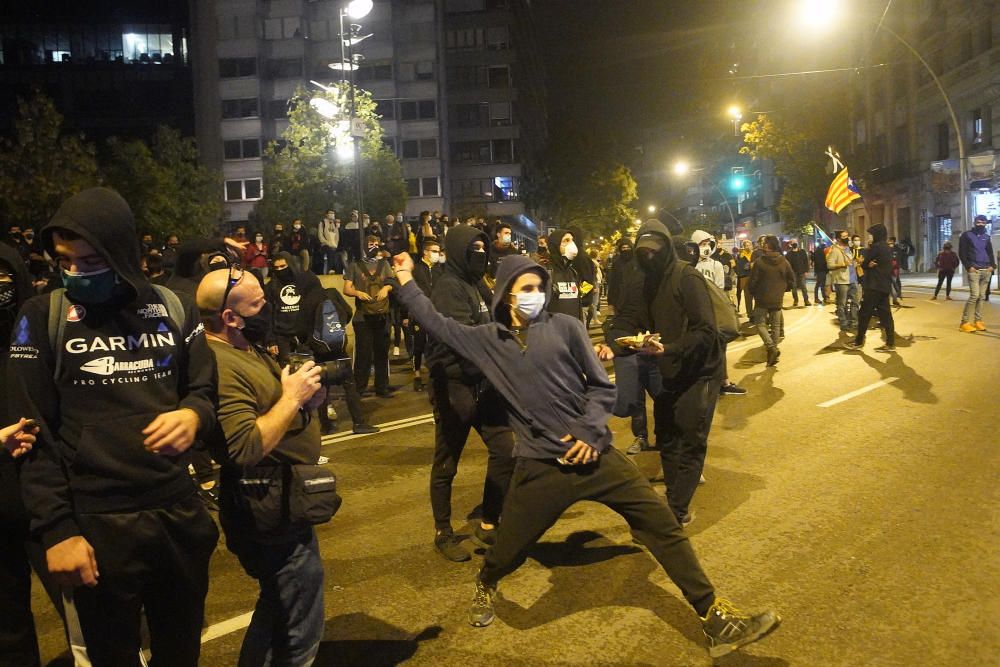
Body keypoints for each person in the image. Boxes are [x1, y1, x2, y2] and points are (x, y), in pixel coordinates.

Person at [392, 247, 780, 659]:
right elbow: (435, 321)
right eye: (526, 288)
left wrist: (591, 431)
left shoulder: (566, 327)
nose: (536, 294)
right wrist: (404, 278)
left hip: (597, 455)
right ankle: (486, 583)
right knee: (508, 549)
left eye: (540, 287)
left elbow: (600, 386)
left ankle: (713, 615)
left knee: (661, 522)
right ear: (506, 294)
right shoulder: (487, 340)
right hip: (542, 466)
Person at [8, 187, 219, 665]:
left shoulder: (172, 307)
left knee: (181, 652)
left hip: (175, 513)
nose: (75, 272)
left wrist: (192, 416)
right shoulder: (41, 317)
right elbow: (29, 433)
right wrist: (58, 530)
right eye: (65, 261)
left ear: (121, 253)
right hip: (96, 525)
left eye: (89, 260)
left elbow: (204, 393)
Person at [196, 268, 328, 666]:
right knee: (294, 624)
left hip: (281, 497)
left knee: (281, 604)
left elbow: (267, 408)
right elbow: (244, 446)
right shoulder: (219, 363)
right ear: (229, 318)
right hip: (265, 503)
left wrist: (305, 402)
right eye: (257, 305)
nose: (267, 308)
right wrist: (291, 399)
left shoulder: (242, 345)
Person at [422, 225, 515, 562]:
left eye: (482, 247)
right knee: (447, 462)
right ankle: (443, 531)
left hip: (483, 382)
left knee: (506, 449)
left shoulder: (476, 284)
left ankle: (489, 522)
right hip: (454, 385)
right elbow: (466, 338)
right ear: (459, 250)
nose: (480, 253)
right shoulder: (448, 288)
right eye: (473, 248)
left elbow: (496, 322)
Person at [343, 238, 394, 396]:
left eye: (376, 245)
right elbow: (347, 288)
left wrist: (386, 288)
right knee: (363, 355)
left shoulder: (384, 264)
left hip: (381, 315)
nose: (374, 247)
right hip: (362, 317)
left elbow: (392, 282)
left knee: (381, 353)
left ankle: (382, 387)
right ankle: (359, 388)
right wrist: (358, 293)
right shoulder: (354, 265)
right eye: (370, 245)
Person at [844, 224, 896, 352]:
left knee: (864, 314)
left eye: (872, 234)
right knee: (885, 315)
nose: (870, 237)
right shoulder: (888, 248)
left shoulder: (876, 247)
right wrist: (869, 263)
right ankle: (890, 343)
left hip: (873, 286)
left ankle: (859, 341)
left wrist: (867, 264)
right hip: (884, 285)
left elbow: (865, 263)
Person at [749, 236, 794, 366]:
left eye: (765, 244)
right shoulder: (783, 261)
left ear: (768, 246)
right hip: (777, 298)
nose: (763, 246)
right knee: (775, 326)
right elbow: (791, 278)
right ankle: (773, 353)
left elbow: (753, 280)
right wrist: (783, 289)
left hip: (762, 297)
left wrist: (753, 291)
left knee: (760, 324)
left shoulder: (760, 262)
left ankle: (771, 348)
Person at [408, 238, 443, 392]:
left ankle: (435, 375)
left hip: (437, 313)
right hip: (419, 313)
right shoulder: (416, 269)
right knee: (419, 344)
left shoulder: (440, 269)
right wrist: (405, 314)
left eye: (438, 252)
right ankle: (416, 375)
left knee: (437, 343)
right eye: (434, 251)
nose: (437, 255)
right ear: (425, 252)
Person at [958, 214, 996, 332]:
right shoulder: (966, 235)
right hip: (974, 270)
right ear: (974, 222)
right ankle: (964, 323)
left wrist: (992, 266)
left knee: (981, 296)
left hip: (986, 270)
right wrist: (968, 267)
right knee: (974, 296)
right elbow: (962, 252)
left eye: (983, 223)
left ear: (986, 224)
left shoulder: (986, 236)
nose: (981, 224)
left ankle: (978, 321)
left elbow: (989, 252)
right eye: (979, 222)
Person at [826, 230, 859, 334]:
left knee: (855, 302)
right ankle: (844, 323)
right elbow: (830, 265)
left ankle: (854, 322)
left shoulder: (850, 249)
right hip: (842, 281)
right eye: (844, 236)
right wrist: (842, 264)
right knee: (842, 304)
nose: (847, 238)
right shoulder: (834, 250)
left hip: (853, 279)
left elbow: (851, 263)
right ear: (839, 239)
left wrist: (857, 262)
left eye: (847, 236)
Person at [545, 229, 583, 321]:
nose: (571, 244)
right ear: (555, 245)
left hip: (573, 329)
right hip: (554, 331)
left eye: (572, 240)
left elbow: (577, 305)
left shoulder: (573, 272)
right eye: (566, 240)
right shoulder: (545, 273)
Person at [784, 240, 811, 306]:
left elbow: (806, 261)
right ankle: (795, 300)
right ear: (791, 244)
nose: (794, 244)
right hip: (793, 272)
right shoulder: (789, 254)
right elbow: (787, 264)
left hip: (801, 271)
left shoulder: (802, 252)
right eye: (793, 243)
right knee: (794, 287)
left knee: (803, 286)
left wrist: (806, 270)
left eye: (795, 242)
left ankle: (806, 300)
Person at [317, 210, 341, 275]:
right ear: (326, 214)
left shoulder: (335, 224)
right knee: (330, 253)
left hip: (334, 246)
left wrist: (336, 244)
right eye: (330, 213)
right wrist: (326, 243)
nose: (332, 214)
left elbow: (337, 235)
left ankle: (337, 272)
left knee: (338, 256)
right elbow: (320, 235)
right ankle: (329, 270)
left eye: (333, 213)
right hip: (325, 245)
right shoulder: (322, 223)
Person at [735, 238, 754, 315]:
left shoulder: (754, 254)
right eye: (746, 245)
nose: (748, 247)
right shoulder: (741, 256)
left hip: (754, 277)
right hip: (745, 278)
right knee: (748, 296)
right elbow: (739, 267)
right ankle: (749, 313)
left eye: (749, 245)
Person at [887, 236, 904, 305]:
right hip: (889, 270)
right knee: (891, 285)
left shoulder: (896, 250)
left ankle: (896, 297)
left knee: (893, 284)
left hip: (893, 270)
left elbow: (898, 259)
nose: (890, 243)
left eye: (890, 242)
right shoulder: (888, 249)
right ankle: (895, 297)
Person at [811, 241, 829, 305]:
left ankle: (819, 298)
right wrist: (826, 270)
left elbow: (813, 259)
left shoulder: (817, 252)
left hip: (819, 270)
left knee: (819, 284)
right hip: (822, 270)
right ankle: (822, 298)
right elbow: (821, 262)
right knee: (821, 285)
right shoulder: (821, 253)